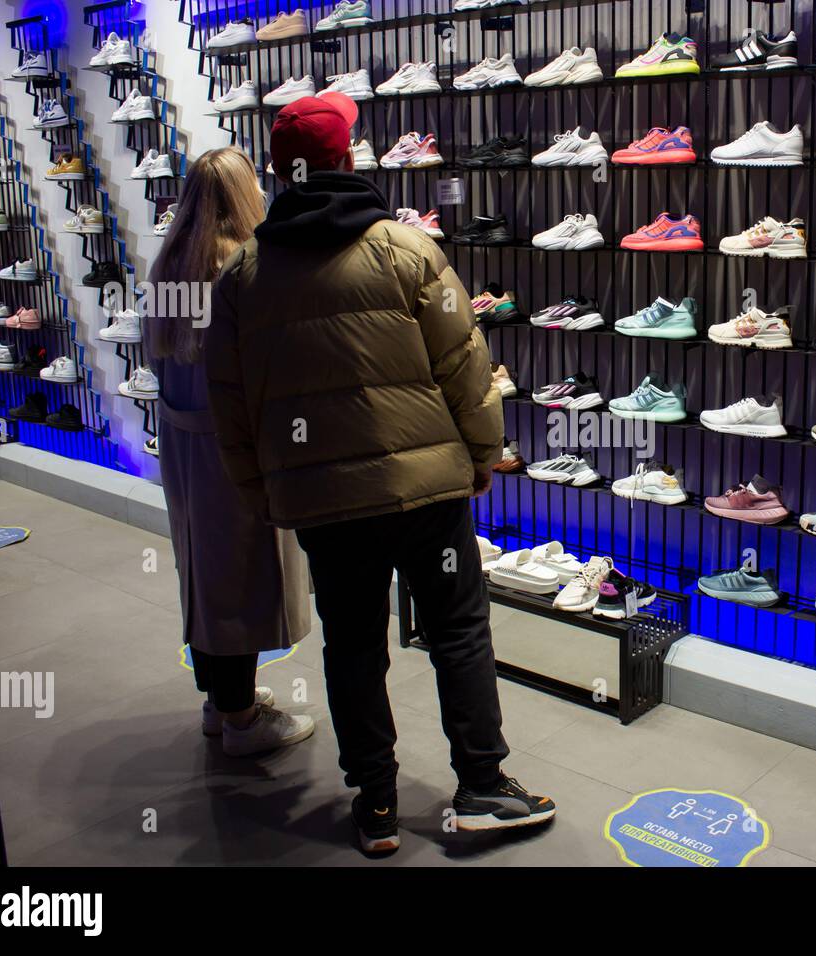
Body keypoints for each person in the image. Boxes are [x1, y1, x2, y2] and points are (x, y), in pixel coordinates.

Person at [204, 92, 555, 853]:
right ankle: (484, 786)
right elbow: (466, 365)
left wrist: (260, 491)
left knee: (353, 644)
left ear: (279, 170)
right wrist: (482, 451)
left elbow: (228, 405)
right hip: (428, 488)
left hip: (325, 501)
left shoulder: (245, 278)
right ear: (347, 160)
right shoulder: (406, 249)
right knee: (458, 630)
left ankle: (377, 803)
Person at [144, 146, 314, 756]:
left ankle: (220, 702)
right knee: (243, 575)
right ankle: (240, 717)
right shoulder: (243, 265)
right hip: (233, 443)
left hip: (181, 443)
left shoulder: (168, 263)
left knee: (204, 573)